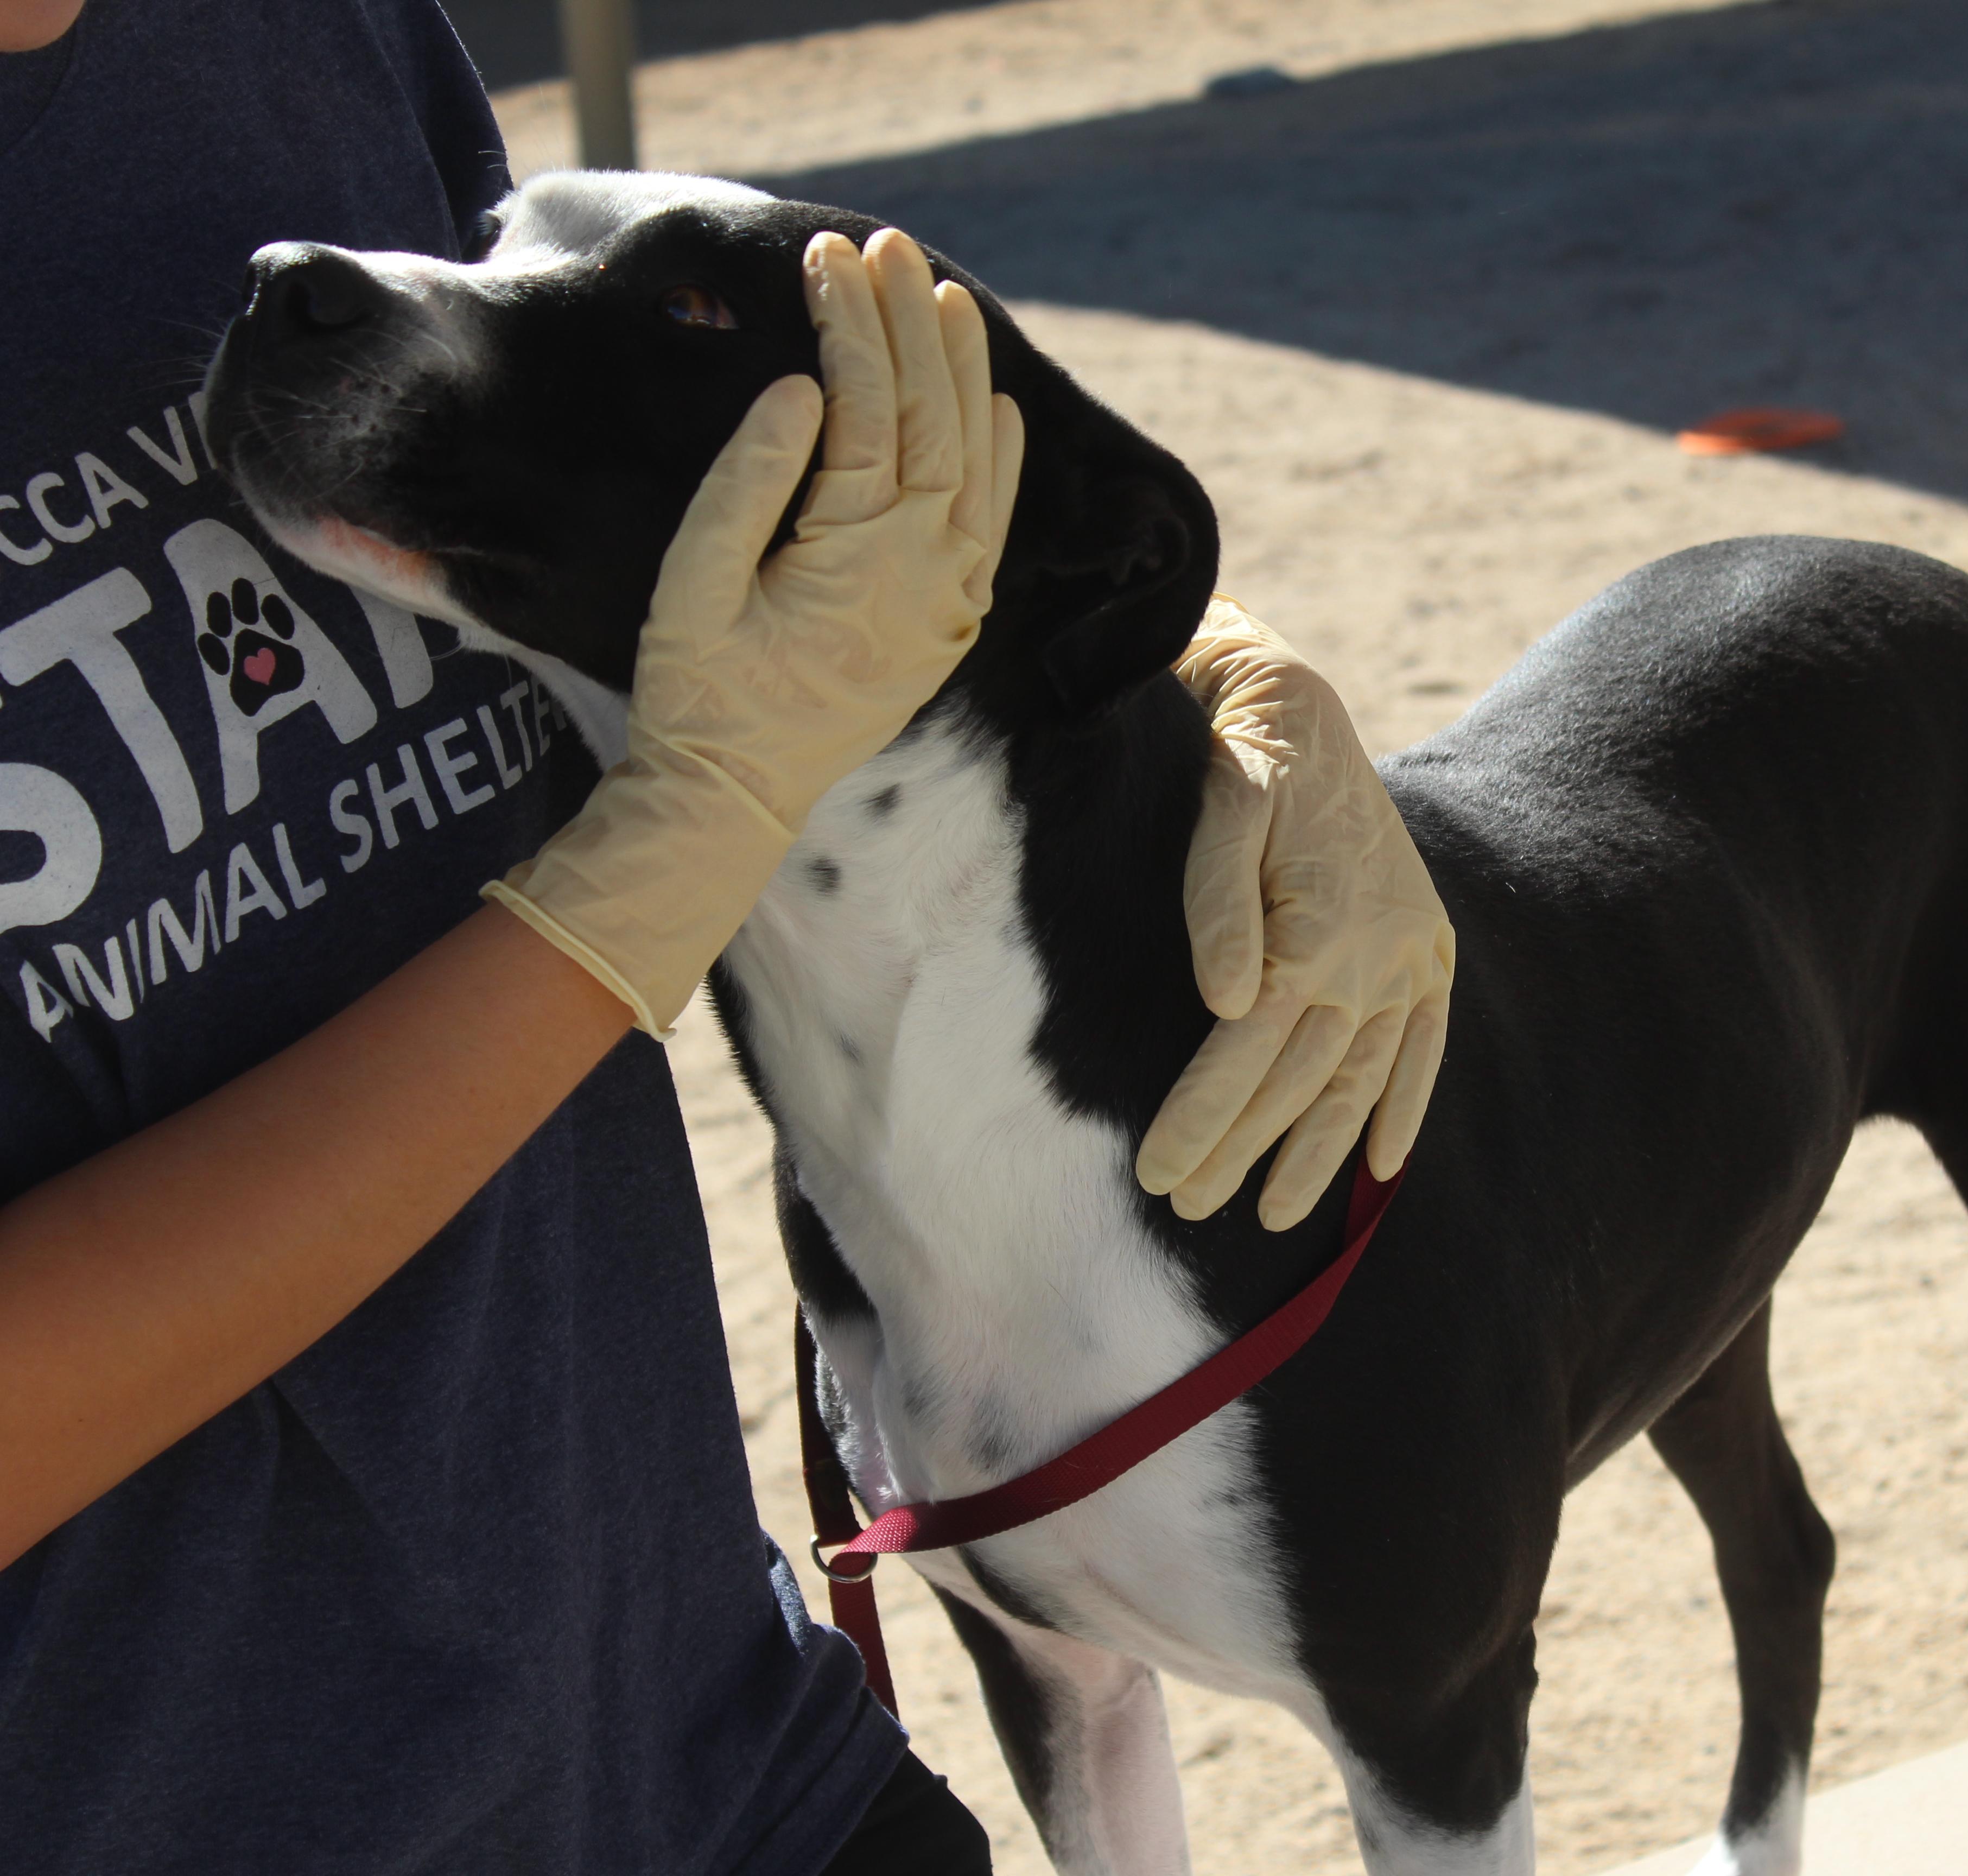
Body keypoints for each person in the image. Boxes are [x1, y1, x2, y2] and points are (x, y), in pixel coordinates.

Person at [0, 2, 1452, 1871]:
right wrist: (634, 892)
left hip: (726, 1766)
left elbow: (628, 449)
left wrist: (1202, 667)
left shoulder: (298, 31)